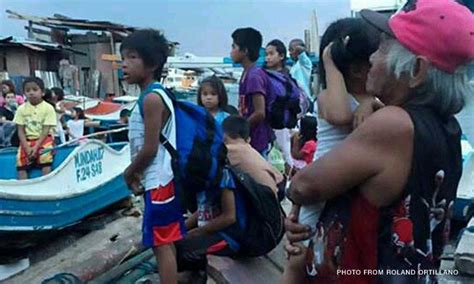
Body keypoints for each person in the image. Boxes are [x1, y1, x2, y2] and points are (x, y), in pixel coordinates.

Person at [285, 1, 474, 283]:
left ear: (417, 70)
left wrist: (300, 211)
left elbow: (304, 186)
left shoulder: (393, 125)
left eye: (384, 46)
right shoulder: (447, 127)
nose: (372, 57)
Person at [283, 18, 380, 283]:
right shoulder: (329, 97)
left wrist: (370, 102)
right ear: (360, 69)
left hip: (342, 185)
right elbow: (339, 115)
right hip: (321, 182)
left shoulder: (374, 101)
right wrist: (329, 61)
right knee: (298, 255)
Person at [122, 29, 183, 284]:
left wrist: (129, 172)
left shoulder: (151, 99)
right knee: (163, 241)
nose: (124, 63)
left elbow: (150, 149)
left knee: (161, 243)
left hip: (159, 181)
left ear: (153, 64)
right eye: (123, 57)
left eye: (132, 57)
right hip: (158, 180)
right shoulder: (152, 96)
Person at [231, 27, 273, 158]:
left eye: (234, 47)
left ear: (245, 51)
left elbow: (260, 113)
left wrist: (240, 130)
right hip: (250, 141)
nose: (231, 52)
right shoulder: (246, 73)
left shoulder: (254, 76)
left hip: (257, 142)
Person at [222, 115, 283, 196]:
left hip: (263, 198)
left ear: (224, 136)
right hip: (273, 191)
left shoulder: (231, 149)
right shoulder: (248, 148)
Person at [13, 77, 56, 180]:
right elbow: (20, 131)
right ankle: (23, 187)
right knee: (21, 162)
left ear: (42, 92)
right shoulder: (21, 109)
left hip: (44, 139)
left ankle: (46, 183)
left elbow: (46, 130)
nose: (31, 93)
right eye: (28, 90)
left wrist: (36, 147)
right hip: (27, 140)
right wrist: (27, 148)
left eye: (35, 89)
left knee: (45, 159)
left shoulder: (48, 108)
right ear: (24, 93)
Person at [264, 39, 294, 174]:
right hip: (273, 120)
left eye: (271, 54)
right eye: (266, 54)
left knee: (283, 151)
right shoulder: (283, 75)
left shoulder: (282, 77)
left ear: (281, 56)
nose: (267, 57)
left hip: (280, 121)